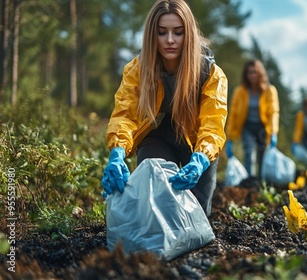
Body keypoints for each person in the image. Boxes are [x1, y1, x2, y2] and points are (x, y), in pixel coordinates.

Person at [101, 0, 228, 216]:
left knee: (196, 214)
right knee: (154, 204)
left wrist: (201, 160)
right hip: (157, 137)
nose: (170, 40)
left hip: (196, 144)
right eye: (162, 32)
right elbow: (125, 113)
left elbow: (212, 124)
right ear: (152, 35)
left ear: (188, 35)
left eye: (178, 32)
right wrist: (117, 152)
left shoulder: (210, 73)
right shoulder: (137, 70)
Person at [225, 59, 280, 178]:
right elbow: (233, 114)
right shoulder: (240, 92)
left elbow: (273, 113)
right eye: (249, 72)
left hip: (263, 128)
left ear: (260, 73)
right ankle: (250, 182)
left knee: (262, 157)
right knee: (249, 155)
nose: (252, 75)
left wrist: (273, 132)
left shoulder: (269, 91)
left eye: (254, 72)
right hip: (247, 127)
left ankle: (261, 183)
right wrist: (230, 137)